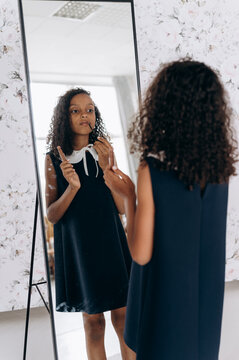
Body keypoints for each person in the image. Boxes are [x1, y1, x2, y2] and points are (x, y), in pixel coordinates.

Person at [103, 59, 238, 360]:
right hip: (206, 309)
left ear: (165, 107)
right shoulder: (220, 172)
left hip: (167, 307)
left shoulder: (153, 169)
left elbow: (140, 254)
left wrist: (128, 198)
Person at [45, 88, 135, 360]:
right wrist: (72, 187)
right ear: (65, 117)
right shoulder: (53, 159)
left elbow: (122, 207)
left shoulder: (105, 152)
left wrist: (108, 168)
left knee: (124, 320)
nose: (85, 114)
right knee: (93, 324)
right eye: (76, 110)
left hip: (111, 244)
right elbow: (52, 214)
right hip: (80, 250)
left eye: (90, 109)